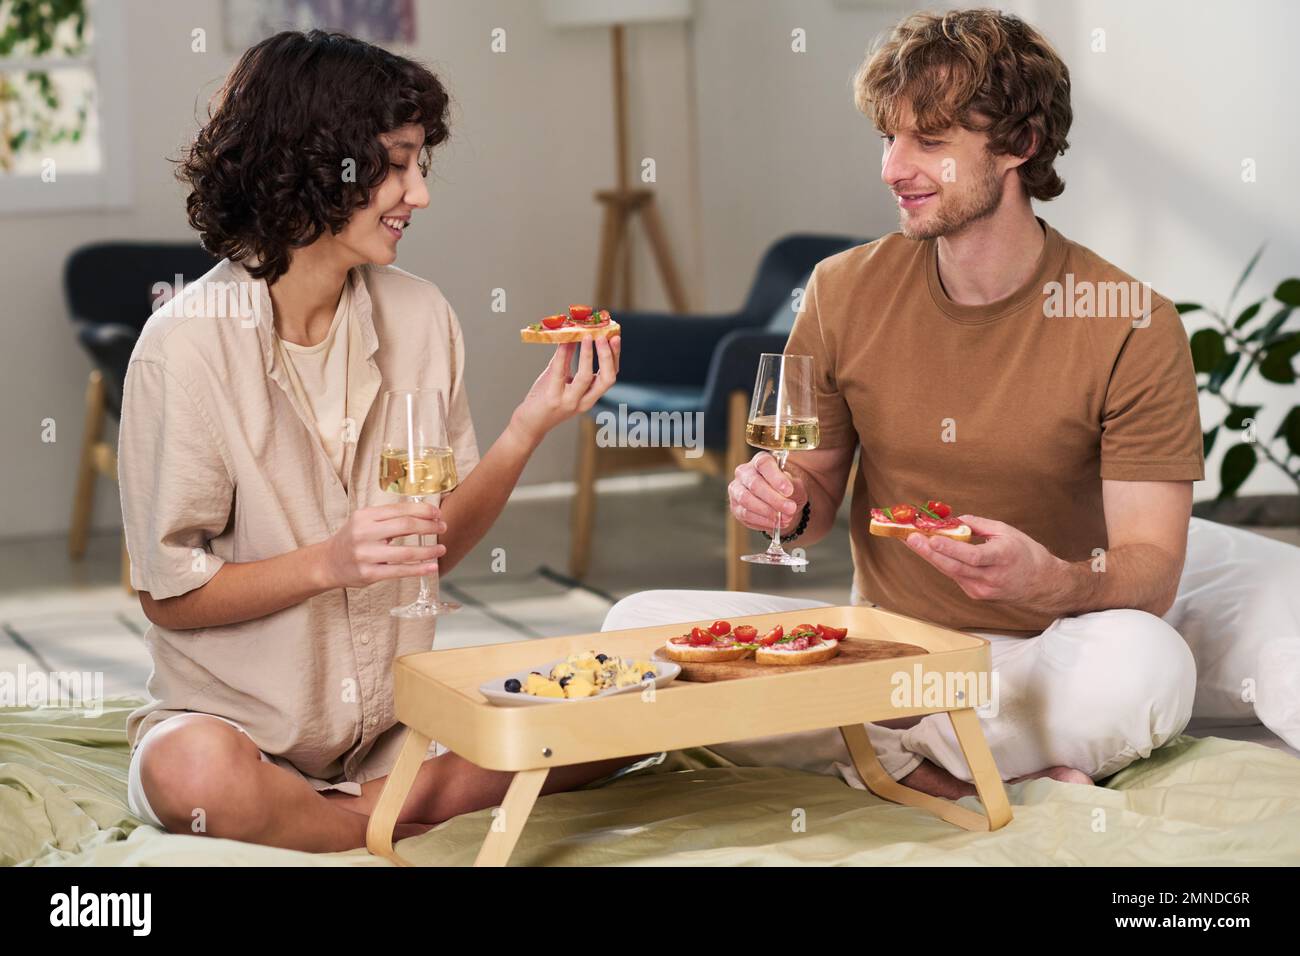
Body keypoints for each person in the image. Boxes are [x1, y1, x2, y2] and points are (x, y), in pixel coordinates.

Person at [604, 8, 1298, 799]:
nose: (893, 168)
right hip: (884, 654)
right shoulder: (842, 290)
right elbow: (816, 499)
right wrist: (782, 501)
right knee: (633, 625)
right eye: (887, 139)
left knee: (1147, 668)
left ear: (1019, 146)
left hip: (1042, 651)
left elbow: (1150, 570)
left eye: (929, 142)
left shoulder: (1130, 322)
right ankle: (959, 768)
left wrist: (1049, 583)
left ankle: (882, 760)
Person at [120, 30, 630, 852]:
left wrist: (525, 432)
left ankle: (354, 819)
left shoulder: (420, 315)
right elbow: (167, 596)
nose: (418, 194)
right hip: (235, 734)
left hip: (395, 736)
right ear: (316, 162)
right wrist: (328, 563)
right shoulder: (186, 347)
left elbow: (431, 550)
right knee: (195, 778)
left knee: (625, 712)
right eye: (396, 163)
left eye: (421, 163)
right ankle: (391, 822)